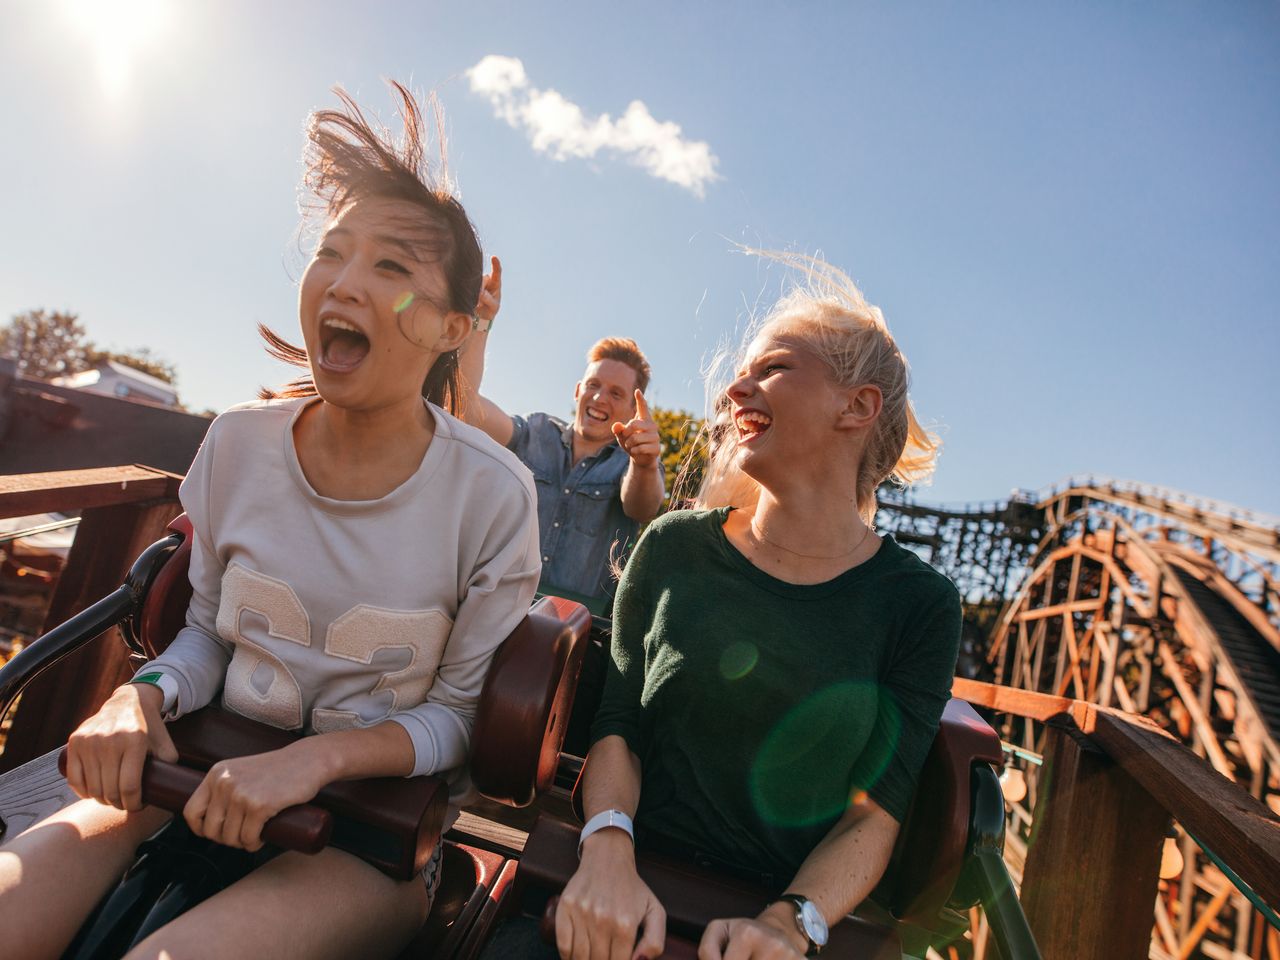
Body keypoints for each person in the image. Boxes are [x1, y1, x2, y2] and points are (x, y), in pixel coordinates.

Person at [0, 83, 540, 960]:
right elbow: (209, 635)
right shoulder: (238, 445)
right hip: (190, 774)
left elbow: (456, 722)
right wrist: (139, 698)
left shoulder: (494, 495)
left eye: (392, 268)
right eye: (333, 251)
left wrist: (317, 760)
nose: (346, 281)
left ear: (452, 326)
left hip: (369, 840)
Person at [553, 254, 962, 959]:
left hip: (774, 928)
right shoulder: (674, 546)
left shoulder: (919, 604)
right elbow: (618, 723)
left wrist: (789, 922)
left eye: (772, 368)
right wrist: (608, 852)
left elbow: (877, 810)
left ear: (857, 407)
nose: (735, 389)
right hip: (621, 891)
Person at [459, 268, 665, 612]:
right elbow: (465, 409)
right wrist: (481, 321)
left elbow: (642, 507)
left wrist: (644, 464)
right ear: (577, 390)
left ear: (633, 409)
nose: (600, 399)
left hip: (577, 630)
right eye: (594, 385)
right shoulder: (537, 431)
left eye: (616, 393)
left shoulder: (631, 462)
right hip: (493, 607)